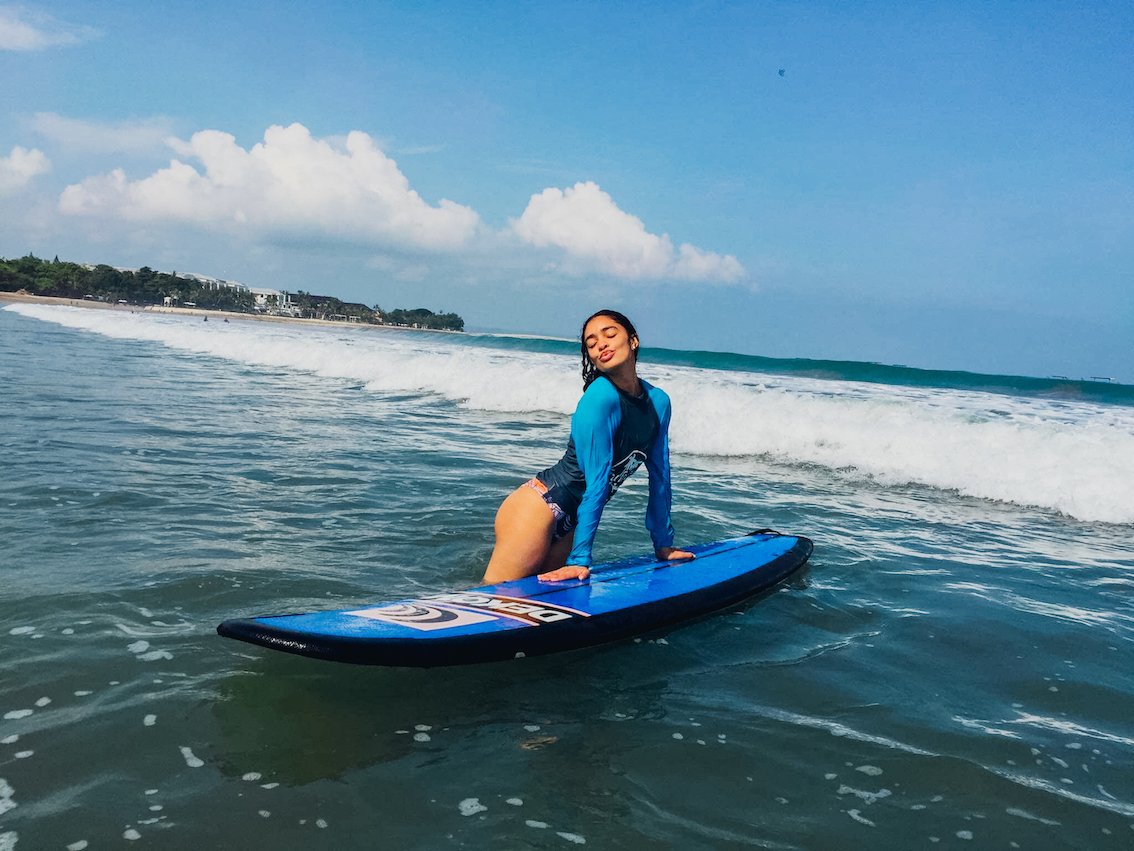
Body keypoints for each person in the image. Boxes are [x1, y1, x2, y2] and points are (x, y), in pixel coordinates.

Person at [483, 309, 693, 584]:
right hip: (538, 508)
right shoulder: (600, 397)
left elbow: (661, 476)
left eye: (609, 334)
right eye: (591, 344)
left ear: (633, 340)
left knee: (535, 608)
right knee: (495, 602)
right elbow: (598, 481)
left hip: (571, 522)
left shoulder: (659, 402)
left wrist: (664, 544)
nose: (601, 345)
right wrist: (580, 558)